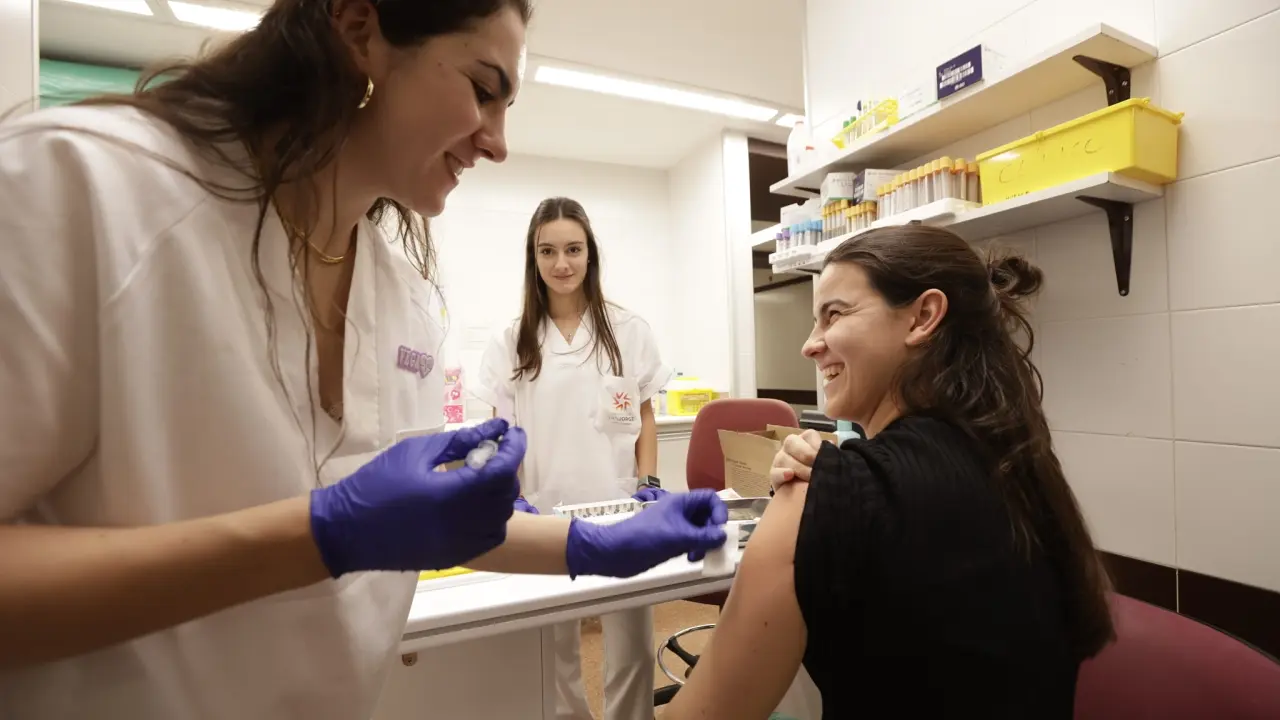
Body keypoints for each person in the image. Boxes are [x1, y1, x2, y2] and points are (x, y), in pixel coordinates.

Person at [0, 2, 727, 718]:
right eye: (483, 89)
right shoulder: (81, 188)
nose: (498, 142)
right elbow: (355, 523)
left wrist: (595, 542)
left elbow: (415, 520)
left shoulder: (402, 300)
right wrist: (319, 533)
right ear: (357, 29)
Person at [663, 225, 1116, 719]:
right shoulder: (1018, 466)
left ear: (922, 317)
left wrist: (830, 489)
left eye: (834, 314)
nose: (810, 345)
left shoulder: (820, 499)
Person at [474, 196, 673, 720]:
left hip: (620, 506)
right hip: (545, 511)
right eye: (548, 251)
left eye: (573, 249)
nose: (561, 263)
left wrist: (649, 481)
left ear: (590, 254)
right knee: (554, 646)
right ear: (533, 258)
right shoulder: (512, 339)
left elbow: (645, 415)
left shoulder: (628, 329)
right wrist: (509, 494)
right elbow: (502, 430)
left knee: (631, 640)